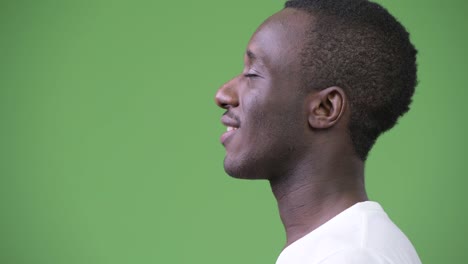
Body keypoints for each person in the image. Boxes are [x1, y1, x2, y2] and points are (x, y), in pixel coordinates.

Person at [214, 0, 421, 263]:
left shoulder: (350, 256)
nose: (223, 94)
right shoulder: (347, 248)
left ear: (324, 108)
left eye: (252, 74)